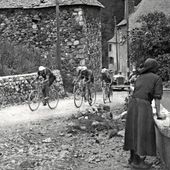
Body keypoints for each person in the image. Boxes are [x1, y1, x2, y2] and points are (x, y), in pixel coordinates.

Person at [124, 58, 166, 169]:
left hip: (133, 104)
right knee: (143, 132)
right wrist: (158, 114)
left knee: (134, 130)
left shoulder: (139, 77)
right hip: (143, 105)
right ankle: (138, 162)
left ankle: (132, 159)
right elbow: (157, 99)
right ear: (154, 68)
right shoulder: (157, 79)